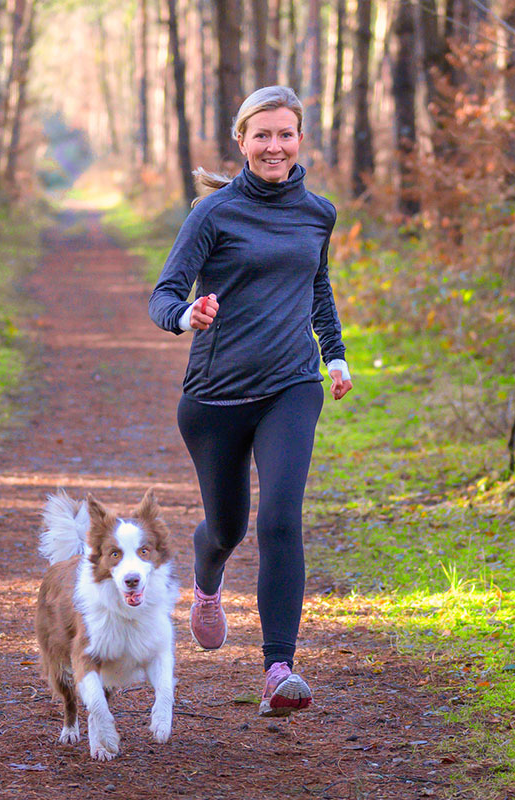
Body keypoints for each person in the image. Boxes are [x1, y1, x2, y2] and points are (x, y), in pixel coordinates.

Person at [148, 85, 352, 717]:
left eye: (285, 133)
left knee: (281, 519)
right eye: (261, 135)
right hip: (215, 397)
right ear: (241, 141)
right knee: (229, 526)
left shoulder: (319, 213)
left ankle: (278, 668)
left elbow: (317, 286)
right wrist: (189, 315)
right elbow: (164, 294)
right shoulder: (213, 215)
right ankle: (207, 583)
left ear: (300, 140)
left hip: (292, 385)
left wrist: (334, 355)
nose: (274, 145)